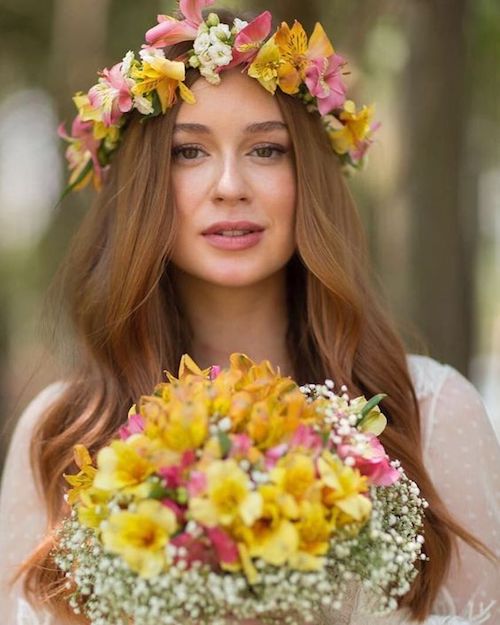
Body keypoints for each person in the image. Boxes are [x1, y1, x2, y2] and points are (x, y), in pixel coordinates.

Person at [0, 3, 499, 625]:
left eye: (266, 150)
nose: (231, 185)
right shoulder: (61, 435)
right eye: (189, 152)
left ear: (309, 177)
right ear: (143, 185)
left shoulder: (431, 415)